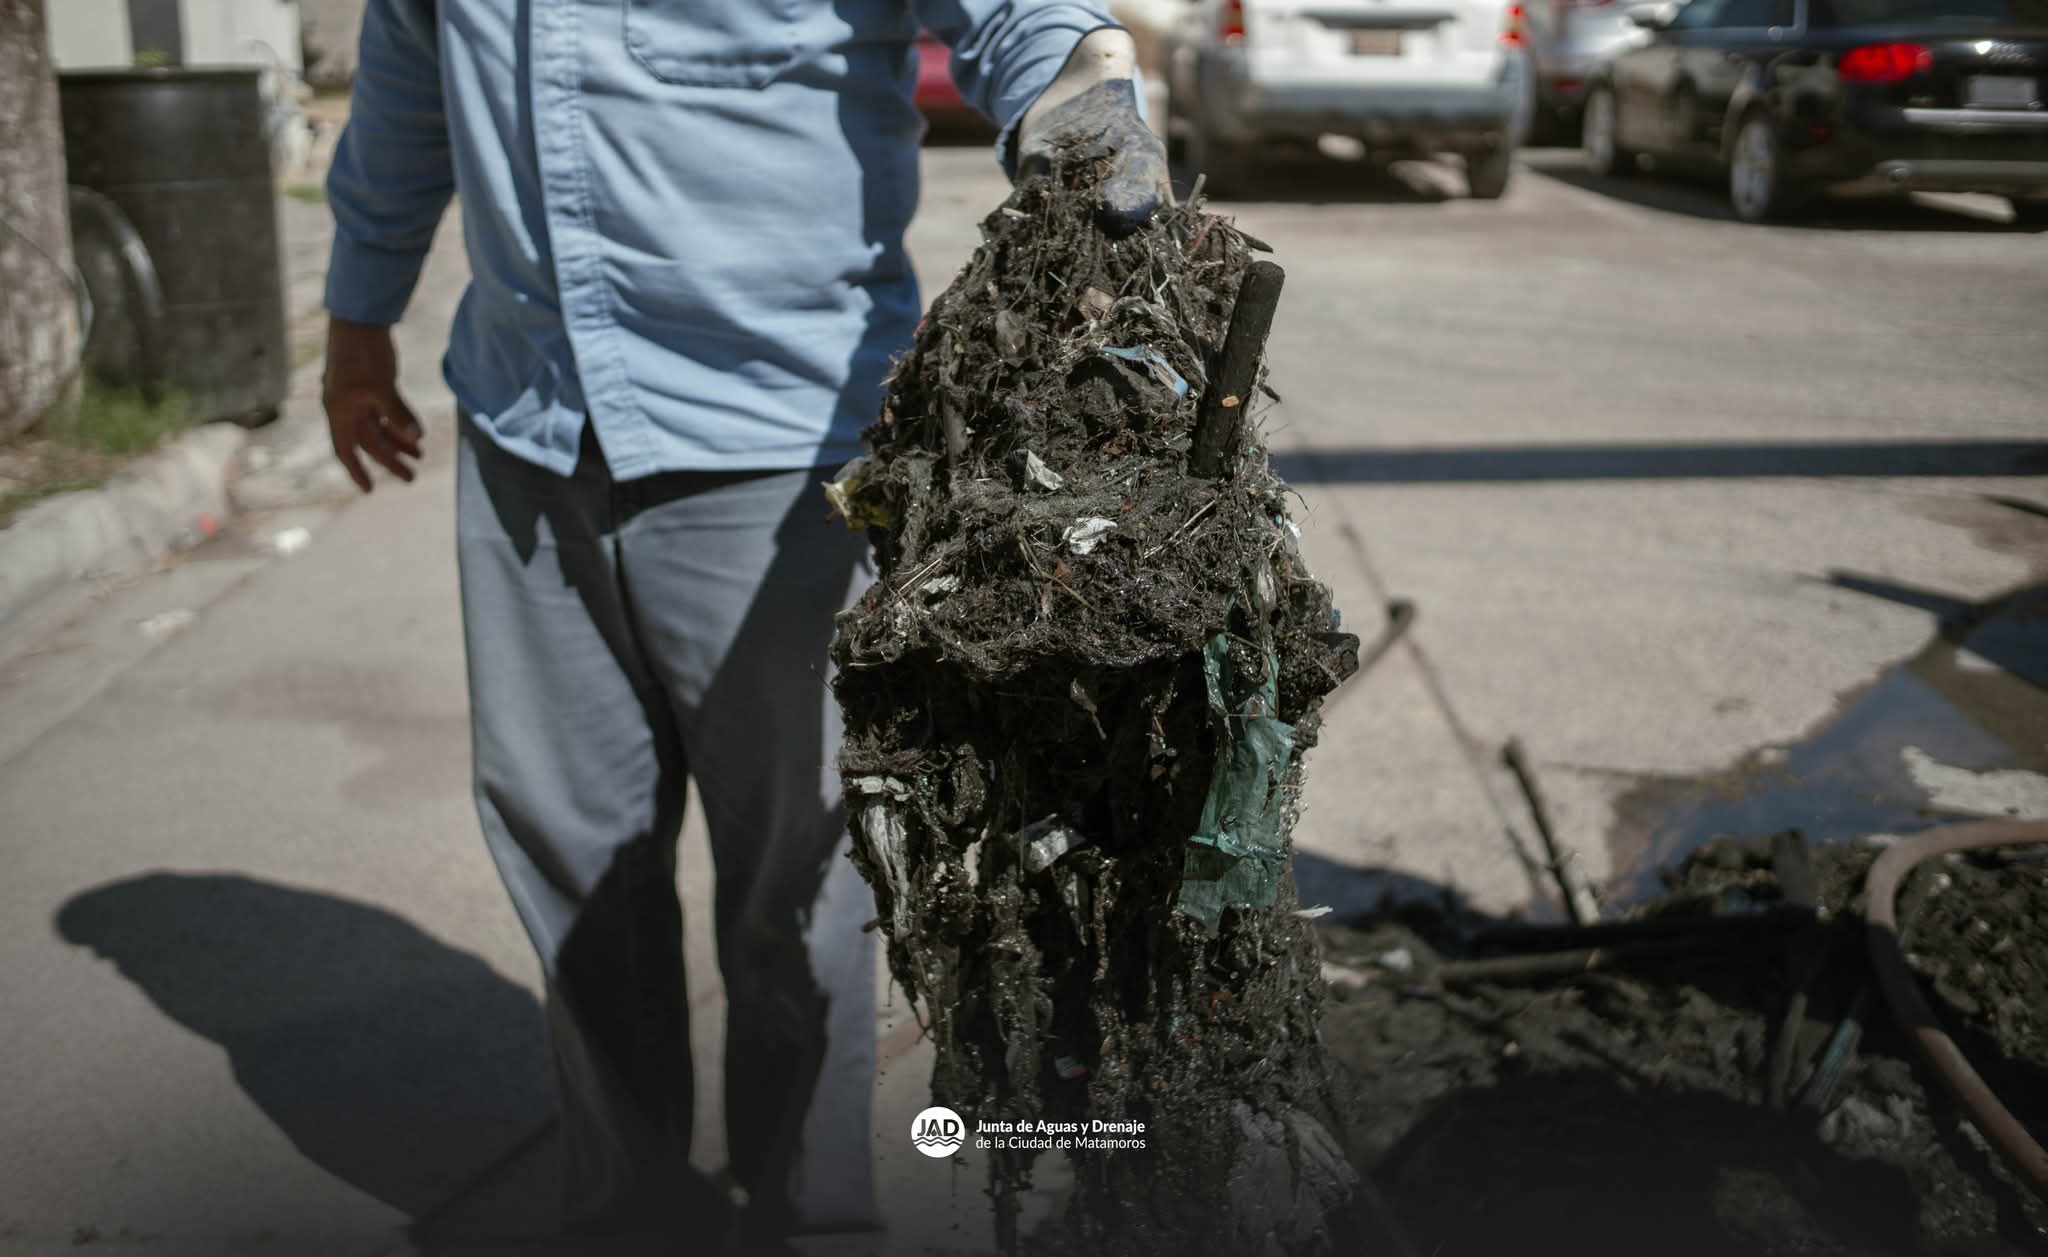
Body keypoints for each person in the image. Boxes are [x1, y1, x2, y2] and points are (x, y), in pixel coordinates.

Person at [318, 1, 1167, 1253]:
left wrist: (1080, 105)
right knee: (569, 855)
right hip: (528, 424)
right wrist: (357, 320)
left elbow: (1017, 19)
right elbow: (408, 68)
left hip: (782, 443)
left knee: (800, 871)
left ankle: (807, 1214)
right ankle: (627, 1214)